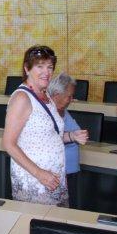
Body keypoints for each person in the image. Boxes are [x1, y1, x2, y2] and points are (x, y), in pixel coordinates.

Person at [2, 46, 75, 207]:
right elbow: (8, 144)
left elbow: (47, 135)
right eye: (40, 66)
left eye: (50, 67)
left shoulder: (45, 94)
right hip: (35, 183)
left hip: (54, 180)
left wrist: (72, 136)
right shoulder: (22, 98)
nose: (46, 72)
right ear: (27, 69)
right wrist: (39, 174)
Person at [47, 72, 89, 209]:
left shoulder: (63, 110)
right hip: (59, 174)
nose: (72, 99)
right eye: (69, 96)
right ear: (56, 95)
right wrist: (72, 136)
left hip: (71, 171)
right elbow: (49, 137)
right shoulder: (47, 112)